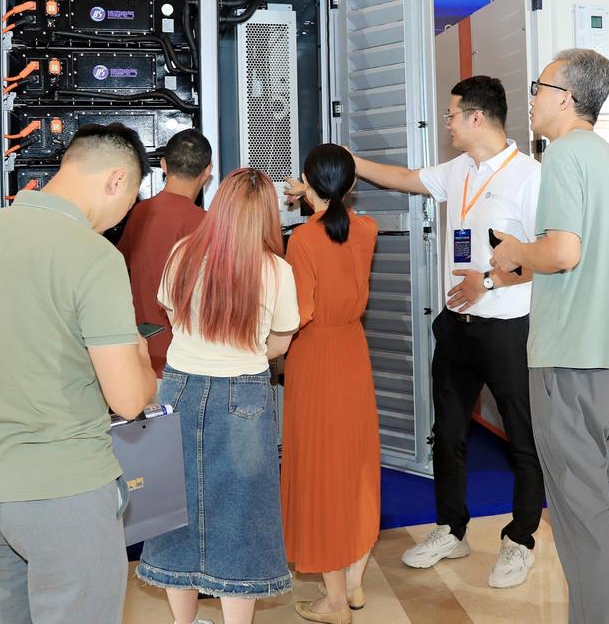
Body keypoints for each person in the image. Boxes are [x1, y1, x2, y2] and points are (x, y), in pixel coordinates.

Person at [290, 76, 543, 588]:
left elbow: (548, 256)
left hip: (506, 327)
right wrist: (345, 161)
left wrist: (487, 281)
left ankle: (520, 539)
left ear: (476, 117)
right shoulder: (459, 169)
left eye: (452, 114)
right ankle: (451, 528)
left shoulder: (530, 177)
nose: (446, 123)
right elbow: (405, 178)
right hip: (455, 325)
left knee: (522, 438)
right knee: (447, 433)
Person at [0, 123, 158, 624]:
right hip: (63, 488)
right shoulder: (94, 255)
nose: (125, 216)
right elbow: (127, 399)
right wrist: (141, 358)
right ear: (117, 180)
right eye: (132, 200)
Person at [491, 48, 609, 623]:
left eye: (538, 88)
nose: (531, 99)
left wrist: (515, 250)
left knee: (578, 506)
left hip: (566, 359)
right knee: (607, 489)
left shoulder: (563, 156)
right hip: (606, 355)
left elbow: (562, 252)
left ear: (566, 97)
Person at [137, 168, 297, 624]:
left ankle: (183, 621)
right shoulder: (276, 270)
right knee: (243, 511)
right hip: (245, 393)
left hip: (180, 386)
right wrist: (244, 348)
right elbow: (280, 343)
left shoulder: (183, 254)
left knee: (176, 503)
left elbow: (171, 316)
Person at [280, 145, 380, 624]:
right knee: (354, 466)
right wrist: (314, 192)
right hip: (352, 353)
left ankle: (335, 601)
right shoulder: (367, 229)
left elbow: (300, 312)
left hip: (314, 357)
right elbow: (339, 216)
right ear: (352, 184)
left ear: (307, 180)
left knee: (319, 471)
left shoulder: (302, 240)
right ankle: (354, 583)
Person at [117, 128, 213, 376]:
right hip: (188, 359)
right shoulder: (206, 224)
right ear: (207, 171)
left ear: (163, 165)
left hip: (141, 352)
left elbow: (118, 267)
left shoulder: (139, 213)